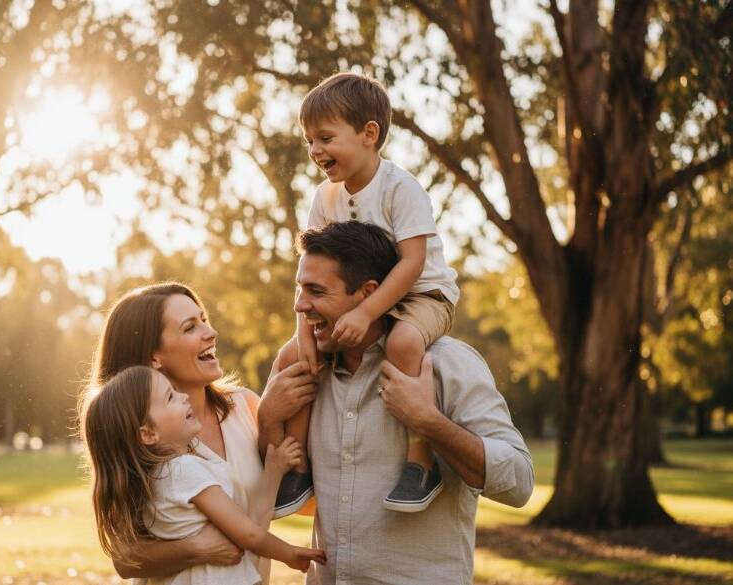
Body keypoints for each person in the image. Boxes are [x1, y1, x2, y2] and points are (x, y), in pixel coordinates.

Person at [259, 221, 534, 585]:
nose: (300, 304)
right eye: (299, 289)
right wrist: (267, 418)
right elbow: (264, 487)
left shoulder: (446, 364)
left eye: (316, 291)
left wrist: (428, 424)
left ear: (367, 294)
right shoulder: (306, 373)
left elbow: (519, 483)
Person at [273, 72, 460, 515]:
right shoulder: (326, 197)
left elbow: (412, 264)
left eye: (324, 137)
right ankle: (298, 467)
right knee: (294, 358)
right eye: (308, 141)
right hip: (360, 301)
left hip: (423, 295)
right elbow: (311, 269)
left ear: (369, 134)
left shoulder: (401, 189)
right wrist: (304, 330)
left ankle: (421, 460)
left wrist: (367, 312)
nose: (315, 150)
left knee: (403, 341)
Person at [83, 283, 278, 582]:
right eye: (190, 327)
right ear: (153, 358)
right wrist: (194, 548)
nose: (210, 333)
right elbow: (125, 559)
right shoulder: (141, 440)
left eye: (203, 319)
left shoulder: (246, 406)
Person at [79, 365, 326, 585]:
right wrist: (289, 554)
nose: (183, 397)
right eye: (170, 397)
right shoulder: (186, 470)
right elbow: (248, 533)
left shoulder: (151, 479)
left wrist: (273, 471)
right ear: (148, 434)